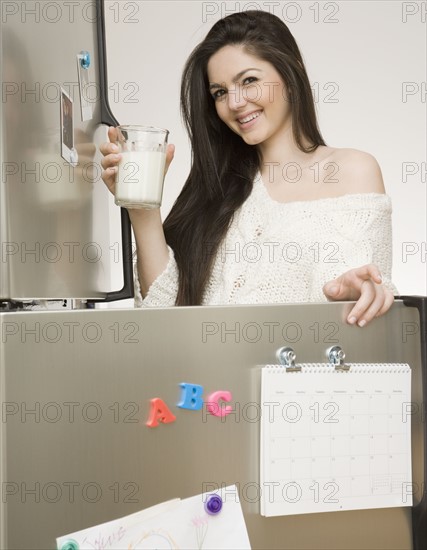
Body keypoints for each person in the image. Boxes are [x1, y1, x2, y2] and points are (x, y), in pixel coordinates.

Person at [100, 10, 397, 327]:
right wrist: (141, 208)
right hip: (202, 377)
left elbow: (365, 291)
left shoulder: (352, 170)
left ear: (291, 71)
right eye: (220, 92)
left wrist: (355, 290)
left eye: (249, 80)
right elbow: (165, 319)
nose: (235, 103)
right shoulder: (216, 188)